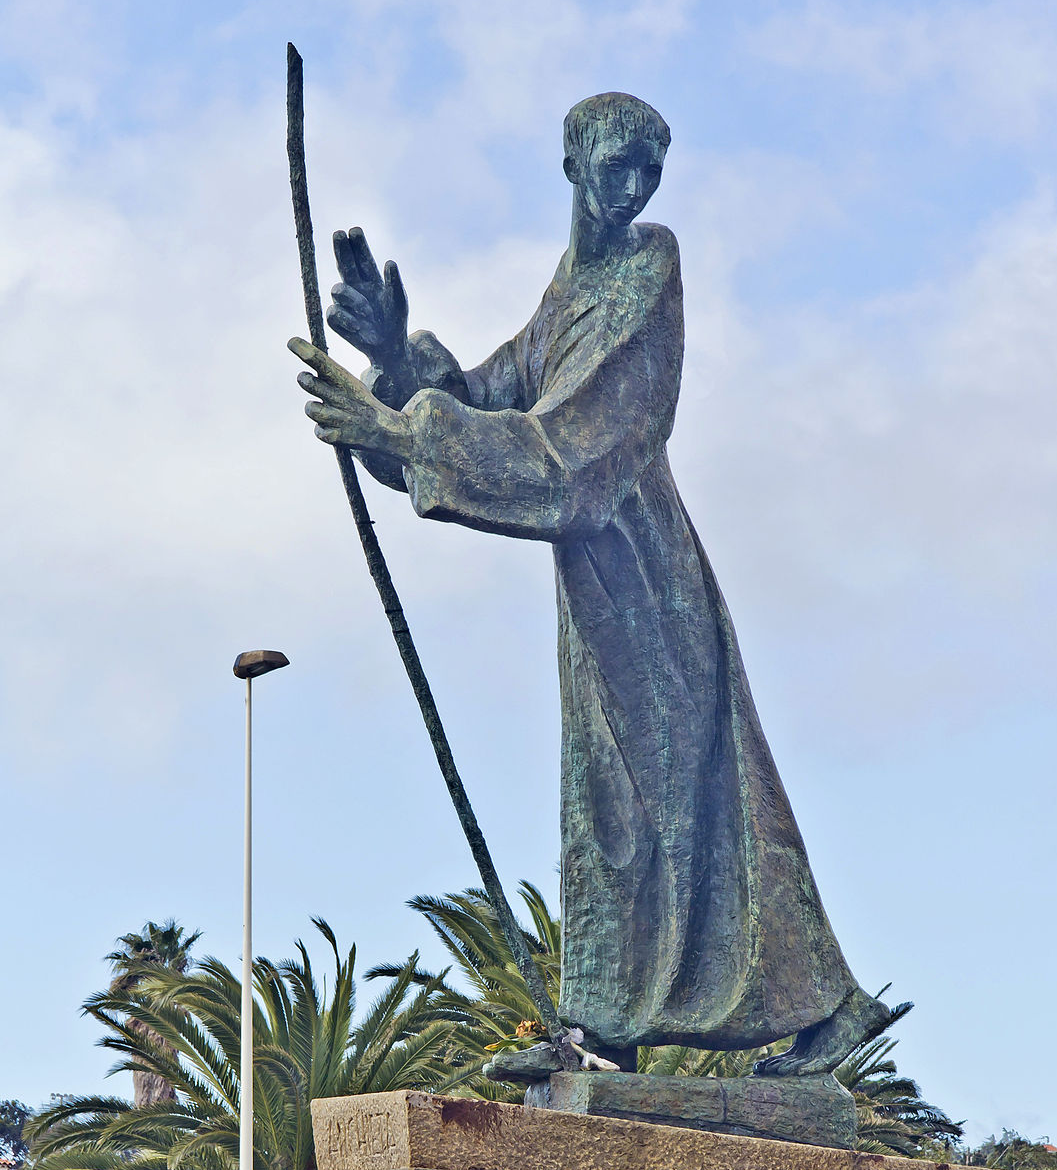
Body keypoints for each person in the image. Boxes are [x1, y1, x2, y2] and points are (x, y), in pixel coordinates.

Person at [289, 92, 889, 1074]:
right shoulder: (571, 289)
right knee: (614, 804)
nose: (633, 188)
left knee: (681, 798)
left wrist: (397, 432)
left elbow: (579, 445)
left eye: (649, 170)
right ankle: (611, 1034)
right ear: (572, 162)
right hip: (599, 589)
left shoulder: (649, 272)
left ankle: (821, 1010)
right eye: (616, 165)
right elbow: (492, 396)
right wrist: (395, 360)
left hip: (646, 572)